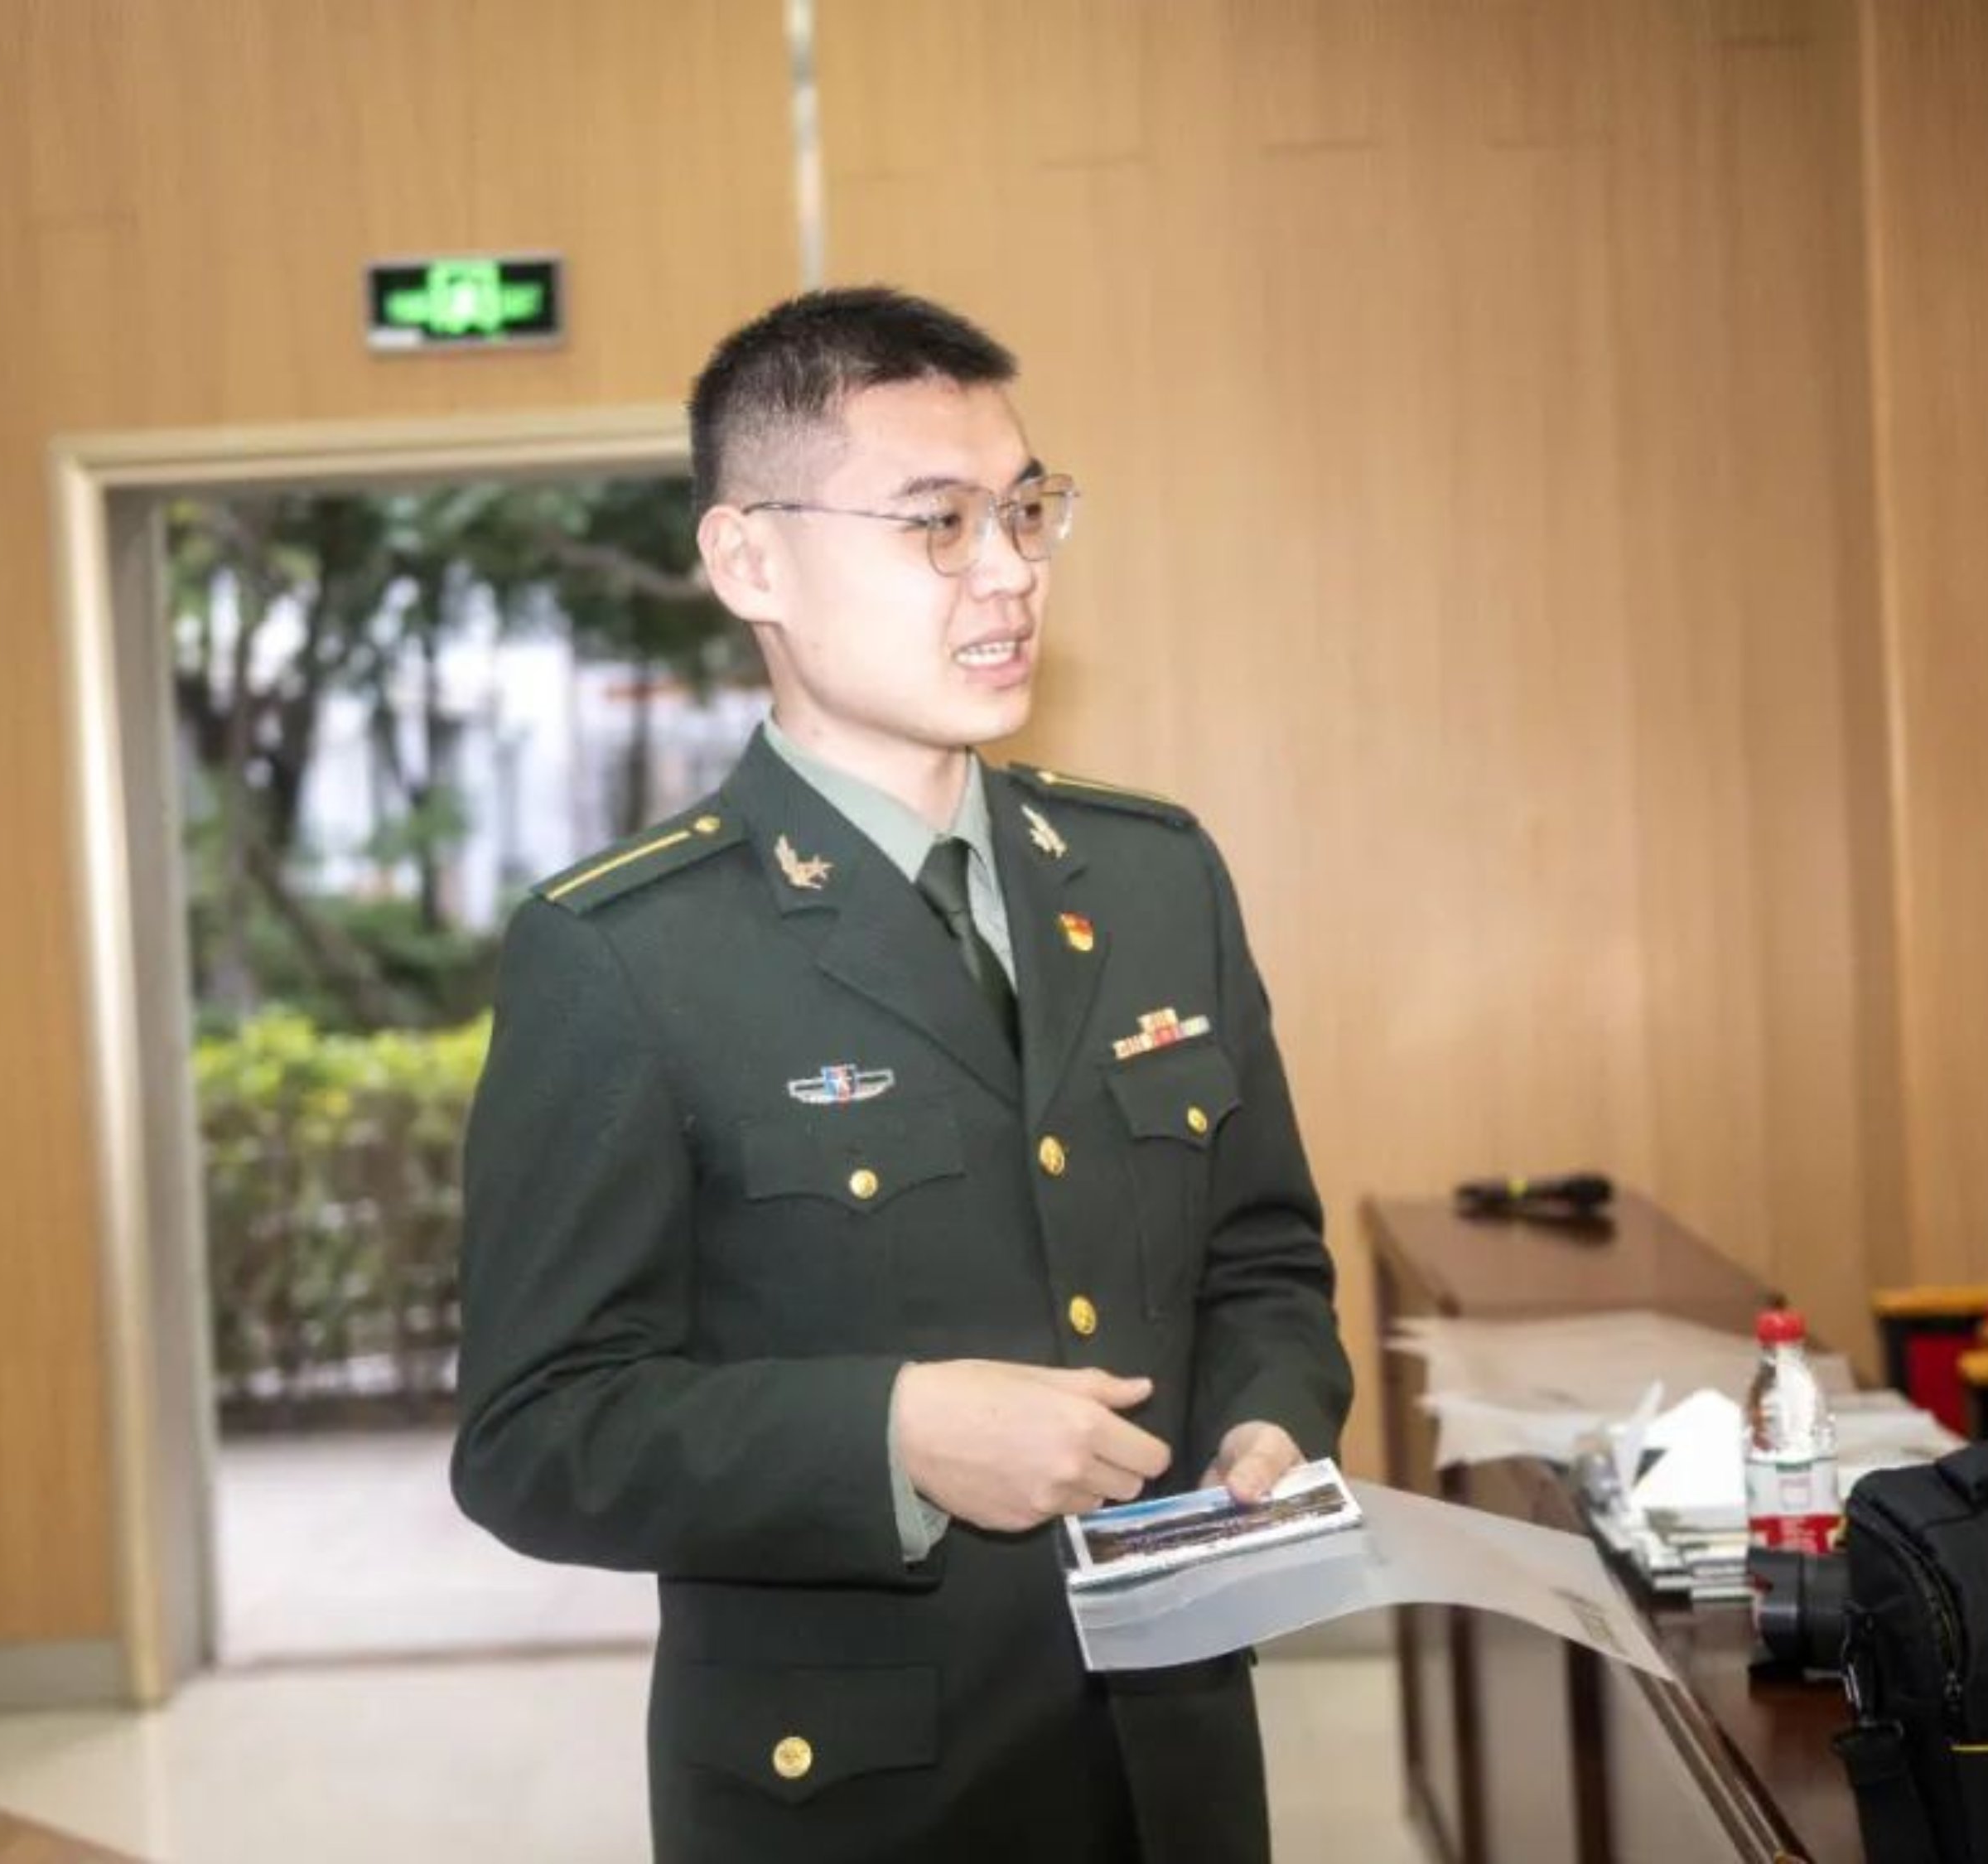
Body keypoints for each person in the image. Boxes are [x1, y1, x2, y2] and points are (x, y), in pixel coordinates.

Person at [451, 286, 1352, 1864]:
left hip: (1177, 1764)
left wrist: (1270, 1425)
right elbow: (535, 1434)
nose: (1008, 571)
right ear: (751, 562)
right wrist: (894, 1434)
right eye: (937, 521)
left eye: (1024, 509)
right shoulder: (627, 951)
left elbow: (1262, 1255)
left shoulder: (1154, 877)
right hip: (861, 1801)